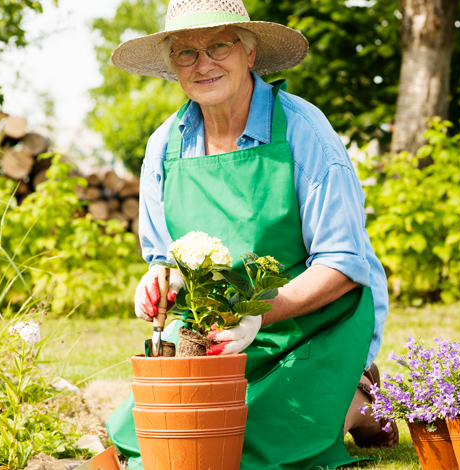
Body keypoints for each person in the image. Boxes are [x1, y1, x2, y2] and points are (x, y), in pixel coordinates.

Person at [104, 0, 397, 468]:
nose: (203, 64)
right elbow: (162, 256)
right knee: (149, 440)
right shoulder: (164, 145)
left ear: (249, 53)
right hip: (215, 333)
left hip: (309, 323)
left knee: (255, 448)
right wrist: (158, 281)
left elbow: (343, 264)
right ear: (173, 66)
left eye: (218, 46)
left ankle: (361, 402)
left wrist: (261, 313)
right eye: (186, 53)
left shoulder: (304, 131)